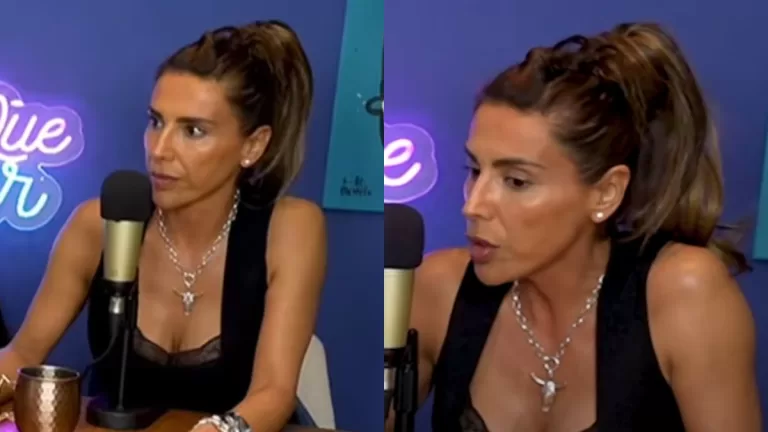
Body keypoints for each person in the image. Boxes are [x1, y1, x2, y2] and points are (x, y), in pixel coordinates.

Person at [403, 23, 761, 431]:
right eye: (474, 170)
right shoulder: (439, 289)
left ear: (606, 193)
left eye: (516, 181)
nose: (473, 205)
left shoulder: (684, 294)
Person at [0, 20, 326, 432]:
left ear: (253, 145)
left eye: (193, 131)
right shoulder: (96, 225)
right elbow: (21, 355)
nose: (160, 149)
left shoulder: (290, 229)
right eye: (156, 122)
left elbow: (274, 393)